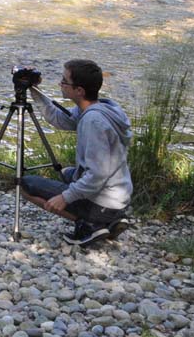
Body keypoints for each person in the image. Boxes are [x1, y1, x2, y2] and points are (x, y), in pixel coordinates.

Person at [23, 59, 133, 247]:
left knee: (24, 185)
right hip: (118, 195)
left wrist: (65, 197)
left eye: (64, 81)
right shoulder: (103, 108)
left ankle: (90, 224)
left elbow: (97, 174)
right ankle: (111, 218)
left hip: (105, 200)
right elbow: (59, 118)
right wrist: (34, 90)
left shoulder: (93, 122)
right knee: (66, 172)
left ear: (79, 90)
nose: (60, 84)